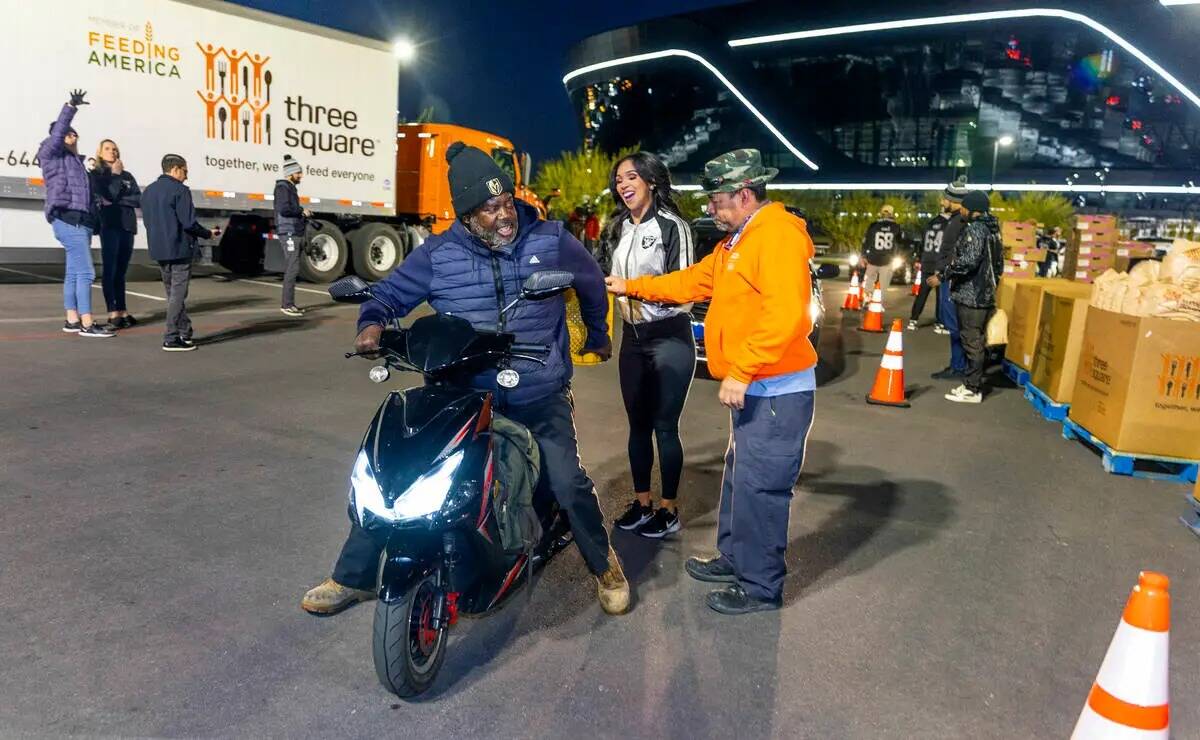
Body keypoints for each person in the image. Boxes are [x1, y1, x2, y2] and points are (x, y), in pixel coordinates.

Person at [302, 142, 630, 617]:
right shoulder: (438, 254)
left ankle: (605, 566)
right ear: (467, 214)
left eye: (506, 202)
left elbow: (591, 285)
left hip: (537, 387)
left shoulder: (550, 238)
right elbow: (388, 296)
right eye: (489, 208)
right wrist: (371, 323)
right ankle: (352, 575)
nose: (504, 216)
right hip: (462, 386)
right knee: (400, 464)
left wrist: (597, 335)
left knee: (566, 478)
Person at [606, 149, 817, 616]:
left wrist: (741, 371)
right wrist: (632, 287)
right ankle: (734, 559)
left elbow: (785, 315)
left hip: (776, 388)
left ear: (744, 195)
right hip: (761, 389)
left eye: (716, 200)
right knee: (741, 480)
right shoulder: (737, 243)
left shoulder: (776, 237)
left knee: (762, 490)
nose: (709, 208)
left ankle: (760, 587)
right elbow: (690, 282)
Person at [602, 152, 696, 539]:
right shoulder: (616, 227)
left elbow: (687, 293)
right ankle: (642, 504)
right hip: (632, 340)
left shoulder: (675, 227)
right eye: (619, 179)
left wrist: (639, 293)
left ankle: (668, 510)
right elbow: (603, 278)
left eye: (631, 177)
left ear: (652, 181)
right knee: (637, 426)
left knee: (664, 427)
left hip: (669, 337)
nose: (623, 184)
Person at [38, 90, 113, 338]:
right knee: (86, 272)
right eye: (66, 132)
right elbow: (58, 132)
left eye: (73, 132)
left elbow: (84, 193)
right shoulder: (51, 154)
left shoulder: (77, 163)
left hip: (81, 221)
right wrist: (70, 107)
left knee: (73, 272)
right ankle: (87, 323)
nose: (71, 134)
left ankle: (72, 319)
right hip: (69, 220)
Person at [141, 154, 219, 352]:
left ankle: (184, 331)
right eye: (185, 170)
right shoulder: (180, 191)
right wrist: (208, 233)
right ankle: (171, 337)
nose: (187, 175)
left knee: (172, 293)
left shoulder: (149, 191)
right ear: (175, 169)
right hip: (179, 248)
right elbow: (189, 223)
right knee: (178, 294)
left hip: (158, 249)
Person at [943, 191, 1003, 404]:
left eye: (964, 207)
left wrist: (947, 272)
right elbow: (999, 266)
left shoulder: (976, 230)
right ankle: (970, 383)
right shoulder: (994, 231)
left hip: (972, 295)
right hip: (985, 294)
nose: (962, 211)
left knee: (972, 341)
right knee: (976, 340)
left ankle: (973, 389)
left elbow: (968, 261)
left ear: (971, 208)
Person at [90, 139, 141, 329]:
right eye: (108, 149)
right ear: (100, 152)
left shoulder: (128, 175)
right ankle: (113, 312)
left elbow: (137, 198)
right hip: (110, 225)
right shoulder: (98, 175)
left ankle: (122, 309)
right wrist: (116, 176)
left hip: (127, 225)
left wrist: (119, 198)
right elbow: (107, 196)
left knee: (121, 271)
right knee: (110, 269)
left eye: (115, 149)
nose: (112, 152)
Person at [928, 180, 970, 379]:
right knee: (951, 322)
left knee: (955, 324)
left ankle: (960, 367)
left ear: (954, 200)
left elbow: (957, 253)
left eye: (946, 197)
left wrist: (944, 274)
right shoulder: (955, 220)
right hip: (947, 276)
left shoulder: (960, 222)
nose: (942, 200)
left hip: (950, 278)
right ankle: (957, 364)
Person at [273, 154, 311, 317]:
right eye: (298, 173)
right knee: (292, 267)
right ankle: (287, 304)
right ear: (291, 173)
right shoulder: (283, 188)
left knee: (293, 267)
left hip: (293, 230)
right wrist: (301, 210)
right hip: (288, 231)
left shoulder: (288, 188)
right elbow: (284, 209)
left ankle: (290, 304)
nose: (301, 176)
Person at [908, 202, 950, 331]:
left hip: (927, 261)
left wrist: (920, 258)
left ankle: (913, 319)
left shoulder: (930, 223)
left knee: (922, 293)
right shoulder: (949, 224)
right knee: (941, 295)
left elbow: (921, 243)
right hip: (940, 262)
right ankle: (939, 322)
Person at [860, 204, 901, 303]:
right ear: (891, 213)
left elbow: (866, 242)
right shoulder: (896, 227)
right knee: (883, 285)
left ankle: (867, 299)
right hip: (887, 259)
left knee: (869, 281)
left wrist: (863, 255)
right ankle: (878, 304)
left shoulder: (874, 225)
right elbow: (899, 243)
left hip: (873, 258)